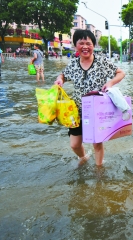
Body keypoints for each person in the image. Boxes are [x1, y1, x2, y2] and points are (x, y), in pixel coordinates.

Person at [54, 29, 125, 166]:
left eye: (88, 43)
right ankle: (84, 157)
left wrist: (110, 82)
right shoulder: (73, 64)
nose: (85, 47)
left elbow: (121, 73)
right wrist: (60, 80)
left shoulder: (101, 62)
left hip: (96, 110)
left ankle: (99, 168)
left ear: (93, 45)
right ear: (76, 46)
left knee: (97, 143)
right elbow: (63, 75)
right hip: (76, 110)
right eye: (81, 43)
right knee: (74, 144)